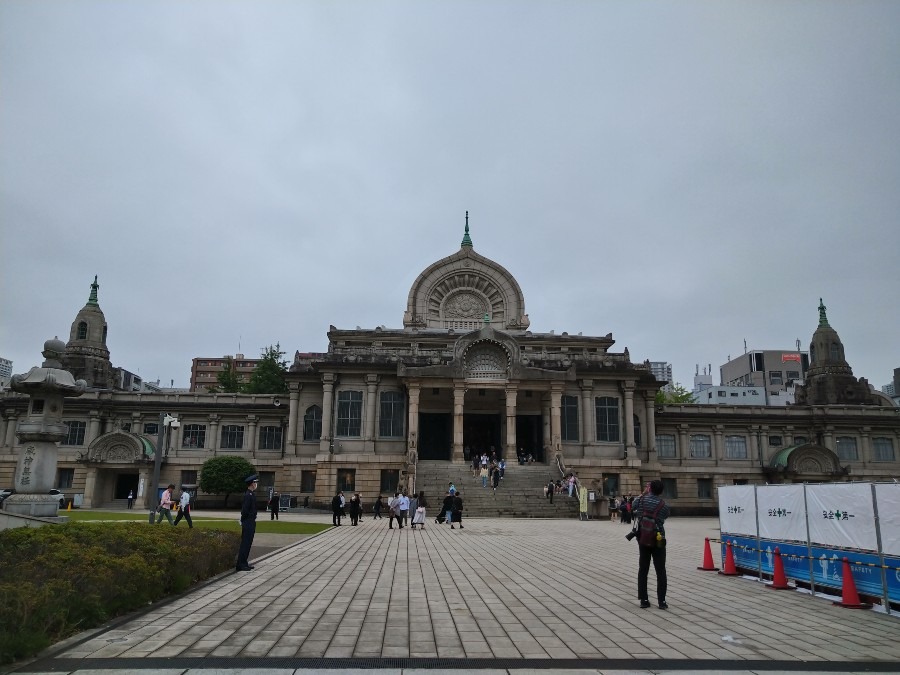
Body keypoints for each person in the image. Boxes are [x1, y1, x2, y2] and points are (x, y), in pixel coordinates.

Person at [631, 479, 670, 609]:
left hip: (643, 537)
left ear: (650, 489)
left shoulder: (641, 500)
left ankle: (644, 600)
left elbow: (634, 506)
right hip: (658, 539)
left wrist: (643, 493)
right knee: (660, 570)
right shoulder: (663, 505)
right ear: (661, 491)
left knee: (643, 569)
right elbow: (665, 516)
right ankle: (662, 602)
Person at [236, 474, 259, 571]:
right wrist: (244, 520)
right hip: (248, 521)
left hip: (251, 521)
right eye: (255, 482)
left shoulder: (251, 494)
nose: (256, 484)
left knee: (248, 543)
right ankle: (241, 564)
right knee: (245, 543)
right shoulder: (248, 495)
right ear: (252, 484)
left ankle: (244, 562)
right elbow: (245, 510)